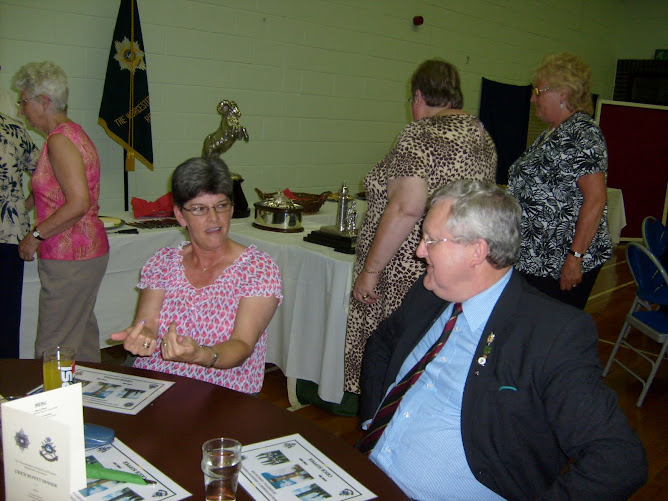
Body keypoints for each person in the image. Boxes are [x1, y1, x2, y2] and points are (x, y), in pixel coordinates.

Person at [359, 179, 647, 501]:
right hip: (365, 472)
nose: (419, 251)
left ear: (476, 251)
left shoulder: (551, 333)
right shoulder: (431, 291)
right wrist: (375, 419)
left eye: (430, 240)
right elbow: (382, 343)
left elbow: (619, 460)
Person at [344, 58, 497, 396]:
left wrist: (370, 271)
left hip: (408, 268)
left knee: (393, 355)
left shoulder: (419, 135)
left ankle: (379, 423)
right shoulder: (481, 136)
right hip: (459, 269)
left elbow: (405, 208)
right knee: (433, 352)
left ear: (418, 96)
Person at [111, 157, 282, 394]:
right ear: (180, 216)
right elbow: (147, 324)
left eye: (221, 206)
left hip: (224, 390)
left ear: (232, 209)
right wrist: (144, 338)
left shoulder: (257, 268)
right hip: (159, 382)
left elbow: (242, 345)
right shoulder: (163, 262)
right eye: (200, 209)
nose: (213, 218)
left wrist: (200, 355)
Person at [14, 61, 109, 362]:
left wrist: (35, 235)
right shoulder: (70, 134)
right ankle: (92, 400)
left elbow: (78, 202)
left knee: (53, 344)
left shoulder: (59, 141)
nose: (21, 109)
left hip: (70, 256)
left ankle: (51, 407)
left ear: (44, 101)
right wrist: (24, 205)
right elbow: (58, 188)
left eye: (24, 101)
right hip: (84, 253)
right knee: (80, 336)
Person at [507, 52, 612, 309]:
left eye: (539, 91)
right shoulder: (552, 132)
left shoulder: (582, 133)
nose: (533, 98)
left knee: (546, 334)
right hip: (535, 258)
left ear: (563, 94)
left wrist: (575, 258)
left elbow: (596, 200)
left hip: (557, 262)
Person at [0, 110, 39, 358]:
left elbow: (44, 173)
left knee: (5, 318)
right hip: (9, 233)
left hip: (8, 236)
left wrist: (23, 206)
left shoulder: (12, 129)